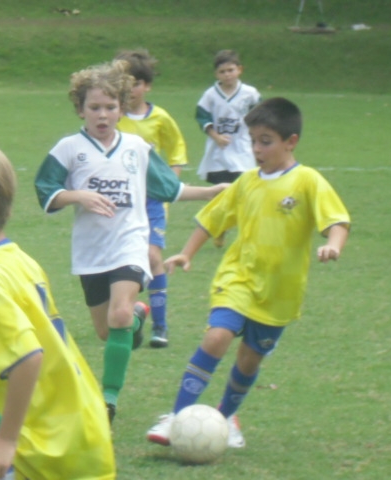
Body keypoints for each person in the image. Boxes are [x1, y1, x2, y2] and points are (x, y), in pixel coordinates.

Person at [146, 97, 351, 449]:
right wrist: (186, 252)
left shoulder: (307, 181)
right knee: (216, 338)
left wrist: (333, 243)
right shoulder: (246, 182)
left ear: (291, 141)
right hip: (238, 278)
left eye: (265, 141)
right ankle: (177, 416)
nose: (256, 149)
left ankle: (225, 417)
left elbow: (338, 220)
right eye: (253, 140)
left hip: (280, 293)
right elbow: (212, 219)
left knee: (249, 359)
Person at [34, 60, 227, 424]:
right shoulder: (69, 149)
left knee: (118, 313)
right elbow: (45, 191)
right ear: (80, 109)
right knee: (108, 331)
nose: (103, 115)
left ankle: (108, 401)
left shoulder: (136, 147)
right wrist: (78, 196)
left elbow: (169, 188)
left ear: (122, 108)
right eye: (94, 108)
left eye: (110, 107)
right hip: (91, 252)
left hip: (130, 243)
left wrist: (211, 191)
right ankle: (139, 317)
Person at [0, 138, 115, 480]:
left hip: (53, 448)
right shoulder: (18, 259)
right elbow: (33, 364)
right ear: (9, 205)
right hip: (78, 429)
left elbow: (28, 359)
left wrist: (4, 439)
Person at [115, 48, 188, 349]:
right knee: (123, 263)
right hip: (120, 201)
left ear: (147, 86)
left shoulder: (160, 118)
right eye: (125, 82)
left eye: (137, 83)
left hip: (152, 202)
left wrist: (169, 184)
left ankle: (161, 326)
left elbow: (177, 150)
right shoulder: (113, 115)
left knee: (153, 257)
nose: (131, 89)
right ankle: (136, 313)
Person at [196, 49, 261, 185]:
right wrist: (216, 136)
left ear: (239, 69)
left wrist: (255, 137)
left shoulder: (250, 94)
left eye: (231, 70)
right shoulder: (210, 95)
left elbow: (260, 116)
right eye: (222, 72)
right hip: (219, 150)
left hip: (242, 148)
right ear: (216, 74)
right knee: (221, 191)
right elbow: (202, 117)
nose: (227, 75)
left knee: (244, 187)